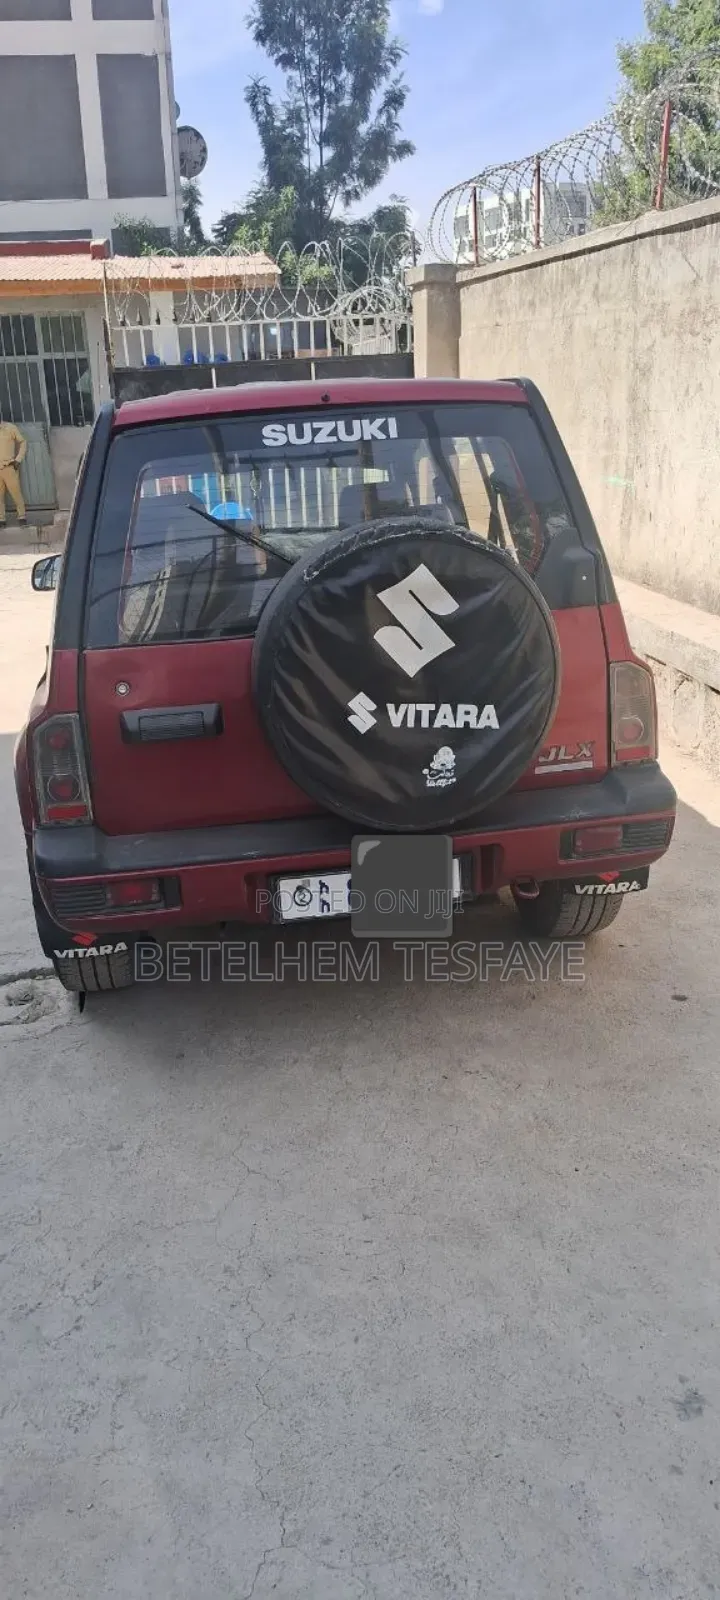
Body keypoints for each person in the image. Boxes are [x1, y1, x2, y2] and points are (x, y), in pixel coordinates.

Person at [0, 416, 27, 527]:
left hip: (9, 466)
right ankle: (1, 520)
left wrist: (18, 459)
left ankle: (22, 517)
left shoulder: (10, 428)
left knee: (16, 493)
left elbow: (23, 442)